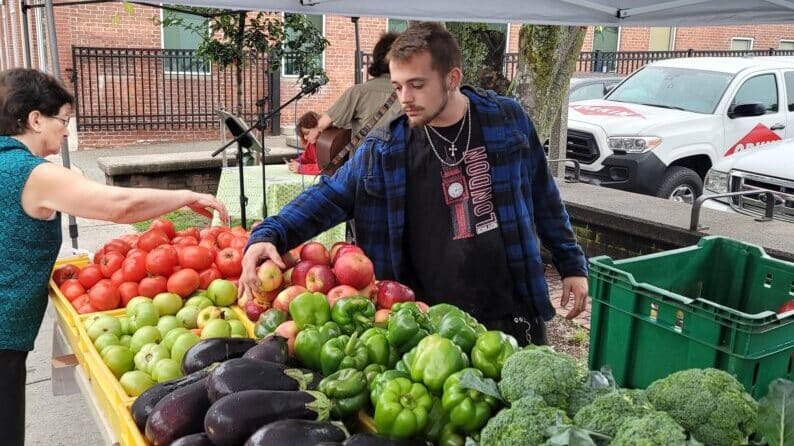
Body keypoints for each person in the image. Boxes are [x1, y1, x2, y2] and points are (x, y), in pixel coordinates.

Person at [240, 22, 588, 347]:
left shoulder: (506, 120)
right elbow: (329, 196)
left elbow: (543, 195)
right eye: (398, 86)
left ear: (452, 78)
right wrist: (269, 234)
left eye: (417, 85)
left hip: (512, 310)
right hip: (430, 327)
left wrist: (570, 263)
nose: (404, 98)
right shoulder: (385, 150)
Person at [0, 68, 228, 446]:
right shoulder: (31, 173)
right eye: (63, 120)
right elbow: (119, 205)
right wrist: (187, 196)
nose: (66, 130)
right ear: (35, 119)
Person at [316, 31, 403, 155]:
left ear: (376, 58)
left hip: (363, 167)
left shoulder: (358, 92)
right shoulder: (415, 95)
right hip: (401, 167)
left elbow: (322, 124)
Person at [286, 111, 321, 175]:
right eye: (303, 134)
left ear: (317, 127)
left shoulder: (326, 144)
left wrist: (300, 168)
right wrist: (296, 162)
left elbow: (324, 168)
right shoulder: (312, 143)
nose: (305, 137)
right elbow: (306, 158)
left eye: (307, 133)